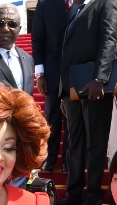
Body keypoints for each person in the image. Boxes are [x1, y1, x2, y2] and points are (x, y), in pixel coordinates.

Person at [56, 0, 117, 205]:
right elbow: (66, 53)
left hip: (94, 84)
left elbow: (109, 39)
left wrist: (101, 78)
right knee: (74, 143)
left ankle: (94, 194)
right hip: (72, 86)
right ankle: (73, 193)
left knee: (95, 143)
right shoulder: (76, 9)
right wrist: (62, 93)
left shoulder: (107, 3)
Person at [32, 0, 69, 172]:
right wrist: (40, 74)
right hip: (53, 71)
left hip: (75, 72)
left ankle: (68, 161)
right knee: (52, 117)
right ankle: (50, 159)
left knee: (72, 120)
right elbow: (38, 39)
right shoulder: (46, 4)